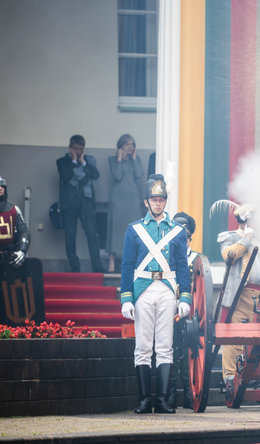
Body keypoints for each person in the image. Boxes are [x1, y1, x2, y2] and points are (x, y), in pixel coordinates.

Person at [119, 174, 192, 414]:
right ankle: (144, 399)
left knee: (164, 347)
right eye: (154, 199)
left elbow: (182, 266)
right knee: (142, 347)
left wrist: (185, 297)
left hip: (167, 290)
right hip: (142, 290)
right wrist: (127, 297)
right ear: (146, 202)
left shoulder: (178, 232)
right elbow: (127, 264)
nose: (158, 203)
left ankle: (161, 400)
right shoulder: (134, 230)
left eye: (161, 199)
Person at [217, 203, 260, 389]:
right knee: (235, 335)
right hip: (240, 294)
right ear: (244, 221)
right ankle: (230, 378)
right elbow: (230, 256)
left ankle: (251, 376)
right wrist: (247, 238)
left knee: (257, 338)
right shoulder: (230, 237)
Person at [56, 135, 104, 273]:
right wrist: (73, 160)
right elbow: (66, 176)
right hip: (69, 203)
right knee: (70, 235)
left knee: (92, 234)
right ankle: (74, 266)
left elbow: (95, 175)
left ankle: (97, 266)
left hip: (87, 202)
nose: (78, 151)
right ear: (70, 147)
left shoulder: (89, 160)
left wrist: (83, 162)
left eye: (80, 149)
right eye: (75, 149)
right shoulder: (62, 162)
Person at [168, 211, 198, 410]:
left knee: (189, 353)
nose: (182, 241)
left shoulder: (197, 259)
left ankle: (189, 394)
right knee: (170, 351)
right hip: (170, 308)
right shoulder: (167, 257)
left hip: (191, 311)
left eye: (185, 238)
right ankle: (170, 395)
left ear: (189, 239)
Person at [106, 134, 144, 272]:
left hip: (133, 199)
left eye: (132, 144)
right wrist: (119, 159)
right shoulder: (112, 160)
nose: (130, 147)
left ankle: (134, 262)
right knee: (115, 230)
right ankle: (111, 261)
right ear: (120, 145)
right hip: (118, 199)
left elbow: (139, 174)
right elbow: (117, 175)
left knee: (134, 230)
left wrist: (133, 159)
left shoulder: (136, 160)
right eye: (127, 144)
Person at [0, 175, 30, 270]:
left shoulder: (14, 210)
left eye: (2, 186)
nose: (0, 189)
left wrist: (21, 250)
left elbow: (24, 232)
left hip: (10, 255)